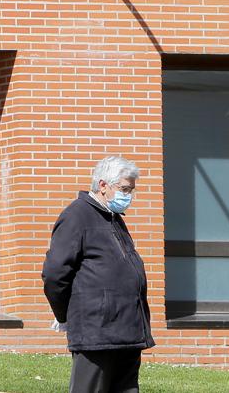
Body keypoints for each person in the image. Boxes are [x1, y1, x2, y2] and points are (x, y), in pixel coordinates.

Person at [41, 155, 154, 393]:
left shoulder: (114, 220)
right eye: (124, 189)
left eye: (131, 190)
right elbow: (54, 274)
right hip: (97, 333)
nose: (129, 196)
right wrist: (64, 316)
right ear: (103, 185)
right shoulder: (77, 215)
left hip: (127, 332)